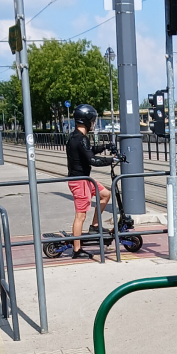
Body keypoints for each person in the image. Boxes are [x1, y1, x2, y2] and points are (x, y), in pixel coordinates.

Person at [65, 104, 113, 258]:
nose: (93, 123)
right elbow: (92, 160)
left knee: (105, 194)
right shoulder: (81, 139)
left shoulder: (75, 137)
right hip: (79, 181)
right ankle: (77, 250)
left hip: (84, 179)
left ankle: (95, 226)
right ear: (86, 120)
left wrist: (104, 147)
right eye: (93, 120)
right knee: (80, 216)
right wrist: (112, 160)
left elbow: (88, 151)